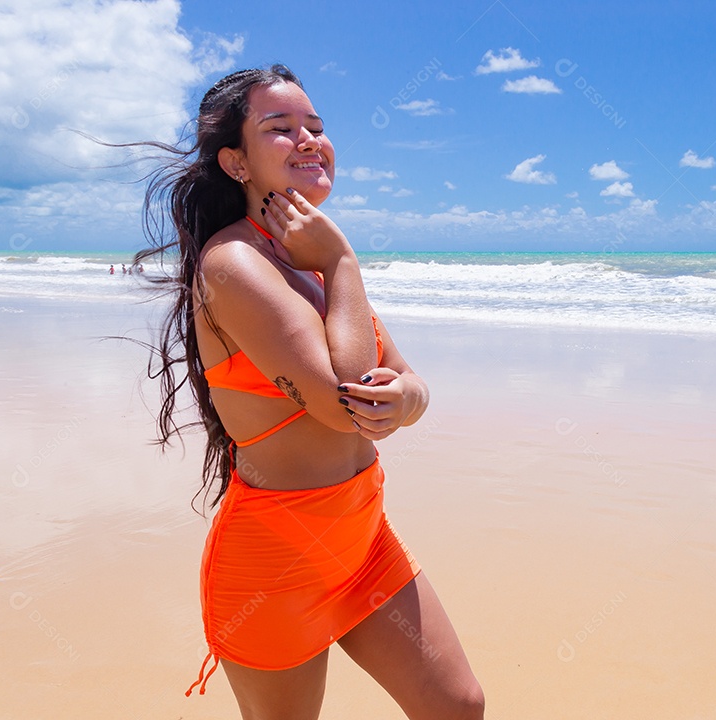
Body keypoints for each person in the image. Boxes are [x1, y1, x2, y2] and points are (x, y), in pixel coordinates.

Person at [134, 65, 484, 719]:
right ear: (236, 162)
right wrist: (341, 261)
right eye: (281, 127)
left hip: (363, 538)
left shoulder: (311, 262)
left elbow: (405, 380)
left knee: (457, 706)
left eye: (316, 127)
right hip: (274, 565)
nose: (308, 139)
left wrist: (407, 399)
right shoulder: (234, 263)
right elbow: (345, 406)